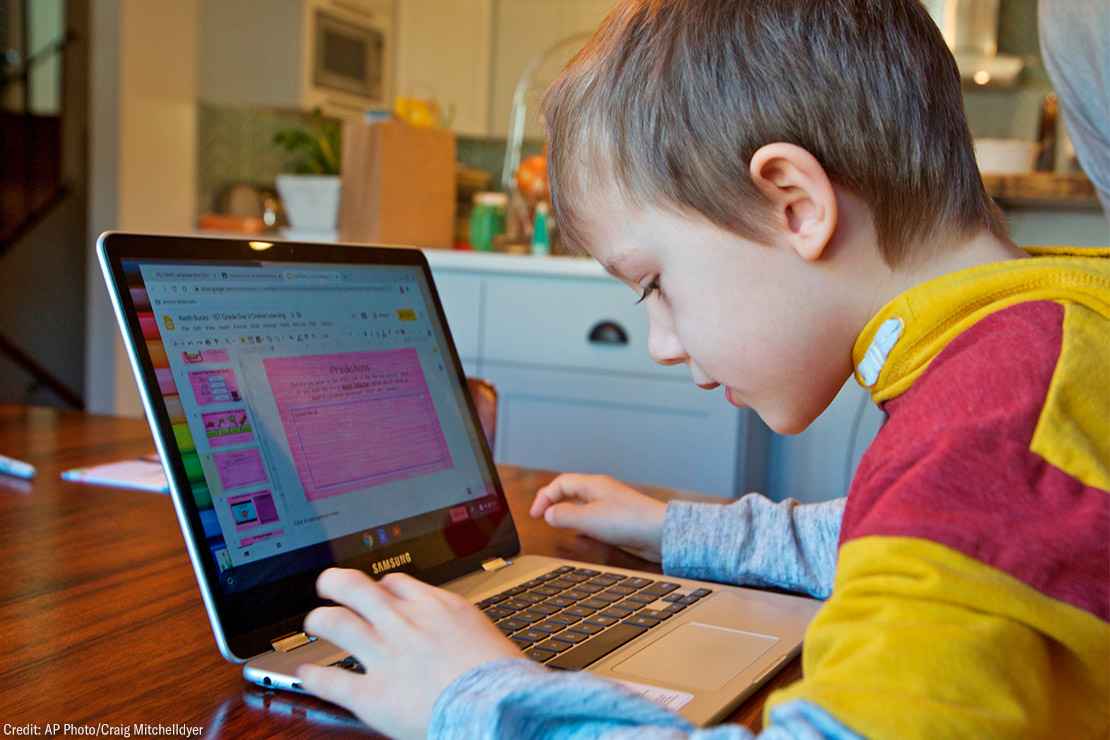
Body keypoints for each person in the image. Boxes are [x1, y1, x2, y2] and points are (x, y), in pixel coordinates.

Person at [294, 2, 1110, 737]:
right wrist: (677, 529)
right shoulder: (1054, 338)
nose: (663, 342)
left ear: (794, 204)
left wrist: (478, 697)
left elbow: (941, 513)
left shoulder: (987, 426)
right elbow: (902, 528)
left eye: (653, 283)